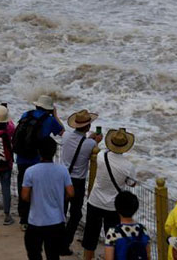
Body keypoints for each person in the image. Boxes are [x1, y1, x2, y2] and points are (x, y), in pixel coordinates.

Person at [82, 128, 137, 260]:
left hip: (94, 201)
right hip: (113, 207)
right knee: (112, 241)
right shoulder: (128, 166)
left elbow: (95, 151)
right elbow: (132, 183)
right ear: (125, 147)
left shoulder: (101, 156)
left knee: (90, 238)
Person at [15, 94, 64, 229]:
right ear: (49, 109)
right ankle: (35, 218)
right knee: (37, 190)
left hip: (20, 158)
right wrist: (55, 116)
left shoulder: (26, 114)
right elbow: (62, 131)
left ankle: (23, 219)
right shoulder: (49, 120)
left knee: (23, 187)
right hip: (37, 160)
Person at [21, 137, 74, 260]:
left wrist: (35, 199)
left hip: (36, 221)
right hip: (56, 221)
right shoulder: (62, 170)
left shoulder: (30, 171)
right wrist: (61, 198)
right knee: (53, 255)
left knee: (34, 253)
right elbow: (71, 193)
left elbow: (24, 196)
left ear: (39, 152)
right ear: (54, 152)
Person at [60, 109, 102, 254]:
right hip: (77, 182)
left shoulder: (65, 136)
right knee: (75, 214)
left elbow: (69, 136)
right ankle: (65, 244)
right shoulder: (90, 144)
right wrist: (95, 141)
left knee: (61, 211)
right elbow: (95, 150)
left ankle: (56, 241)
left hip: (62, 179)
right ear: (88, 127)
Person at [104, 191, 150, 260]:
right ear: (135, 208)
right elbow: (148, 256)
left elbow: (109, 258)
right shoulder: (143, 230)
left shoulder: (113, 233)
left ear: (117, 208)